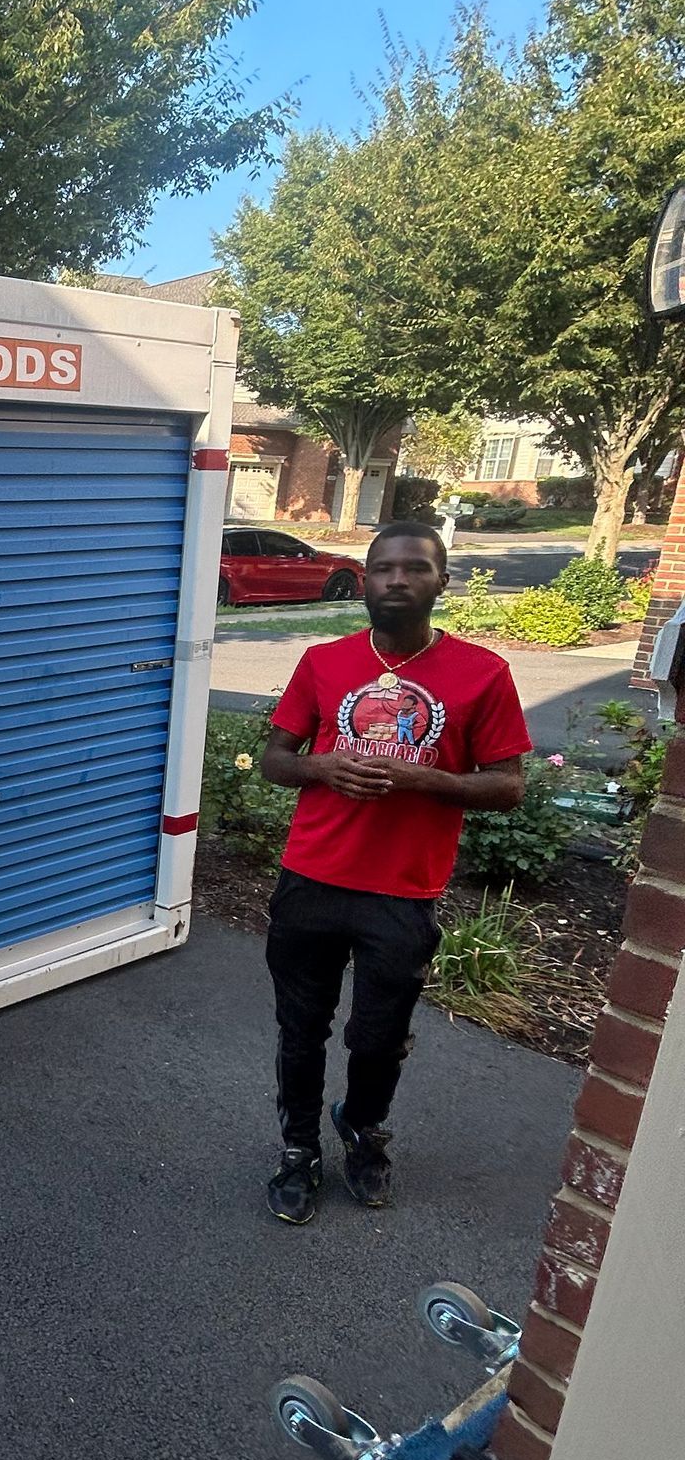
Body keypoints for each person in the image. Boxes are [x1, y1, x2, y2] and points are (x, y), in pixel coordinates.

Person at [257, 523, 530, 1223]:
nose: (396, 580)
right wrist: (321, 765)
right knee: (300, 1028)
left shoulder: (483, 673)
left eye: (415, 569)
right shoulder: (323, 662)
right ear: (366, 579)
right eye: (382, 568)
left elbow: (507, 786)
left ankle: (362, 1129)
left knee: (378, 1035)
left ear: (441, 582)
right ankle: (298, 1149)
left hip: (402, 890)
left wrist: (418, 777)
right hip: (311, 879)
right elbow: (277, 761)